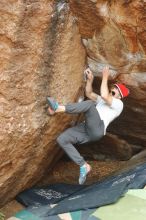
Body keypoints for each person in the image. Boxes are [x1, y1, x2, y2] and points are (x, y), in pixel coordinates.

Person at [47, 66, 129, 184]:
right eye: (112, 89)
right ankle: (83, 165)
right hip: (86, 128)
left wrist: (105, 77)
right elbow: (89, 93)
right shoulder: (102, 100)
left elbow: (105, 96)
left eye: (114, 92)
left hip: (98, 128)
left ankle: (58, 108)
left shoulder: (119, 104)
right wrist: (90, 80)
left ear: (119, 96)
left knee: (90, 105)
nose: (111, 92)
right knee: (62, 139)